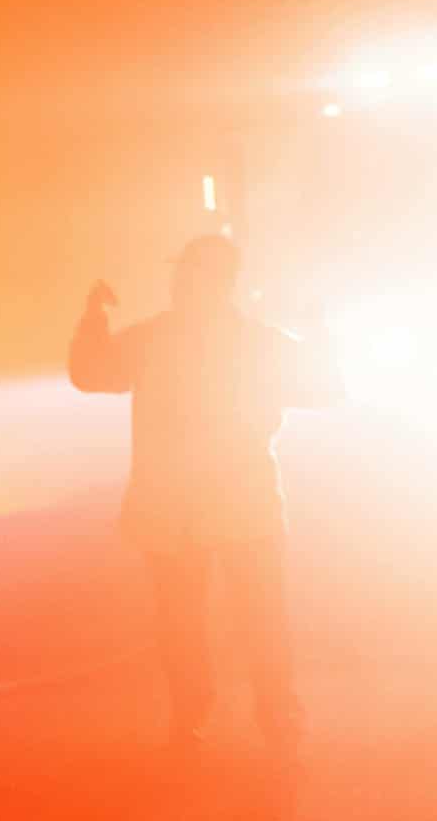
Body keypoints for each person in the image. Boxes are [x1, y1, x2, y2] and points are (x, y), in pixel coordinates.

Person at [67, 233, 338, 750]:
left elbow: (93, 373)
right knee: (223, 621)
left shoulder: (162, 339)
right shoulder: (251, 341)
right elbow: (327, 388)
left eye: (189, 272)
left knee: (208, 621)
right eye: (180, 272)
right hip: (223, 506)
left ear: (216, 281)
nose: (179, 281)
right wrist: (317, 331)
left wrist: (94, 322)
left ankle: (218, 715)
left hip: (193, 508)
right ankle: (256, 717)